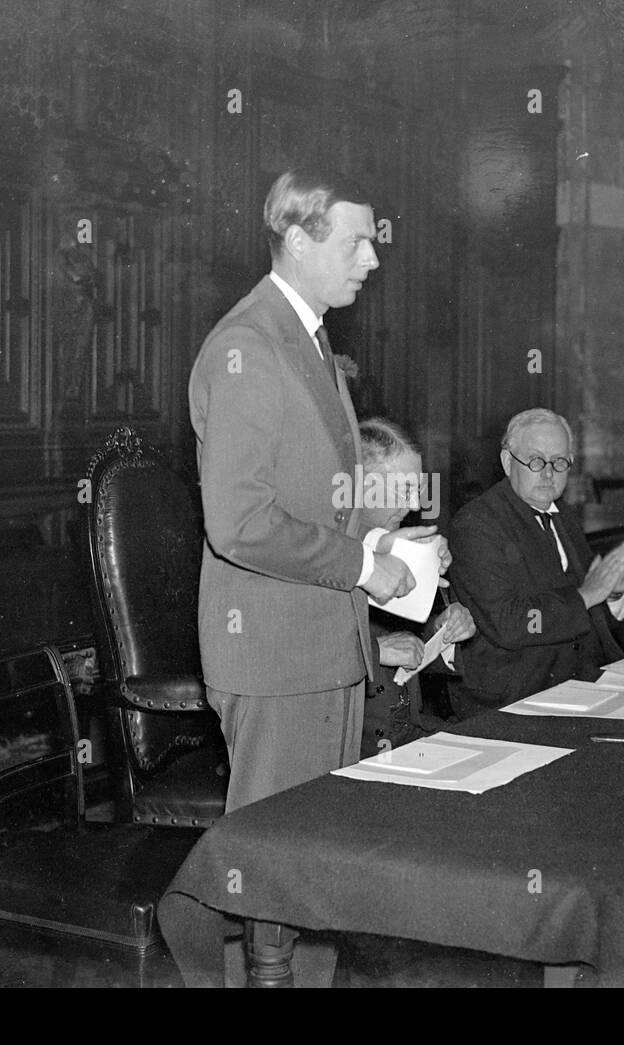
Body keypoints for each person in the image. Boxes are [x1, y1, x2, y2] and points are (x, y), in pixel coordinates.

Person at [189, 167, 448, 812]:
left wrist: (386, 541)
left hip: (324, 649)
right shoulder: (246, 347)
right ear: (300, 241)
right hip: (277, 658)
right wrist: (365, 566)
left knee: (311, 861)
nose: (373, 257)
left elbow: (316, 498)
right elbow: (240, 524)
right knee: (277, 869)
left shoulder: (310, 341)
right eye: (355, 242)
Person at [447, 408, 624, 718]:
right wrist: (588, 594)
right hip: (513, 696)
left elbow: (582, 607)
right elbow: (510, 623)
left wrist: (610, 592)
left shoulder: (562, 515)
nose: (548, 474)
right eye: (536, 461)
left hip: (576, 681)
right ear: (507, 462)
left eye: (559, 462)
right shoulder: (477, 524)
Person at [355, 418, 476, 759]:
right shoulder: (326, 553)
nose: (414, 506)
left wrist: (443, 632)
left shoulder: (403, 545)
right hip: (352, 748)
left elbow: (408, 649)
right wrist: (376, 650)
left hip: (407, 734)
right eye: (403, 491)